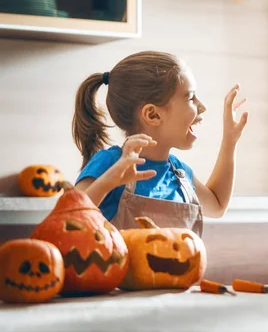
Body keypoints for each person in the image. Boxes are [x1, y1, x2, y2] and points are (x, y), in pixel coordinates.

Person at [72, 51, 249, 237]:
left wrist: (230, 140)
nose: (202, 106)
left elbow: (217, 205)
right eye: (190, 98)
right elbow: (69, 219)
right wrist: (110, 180)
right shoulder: (111, 163)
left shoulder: (179, 173)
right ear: (153, 115)